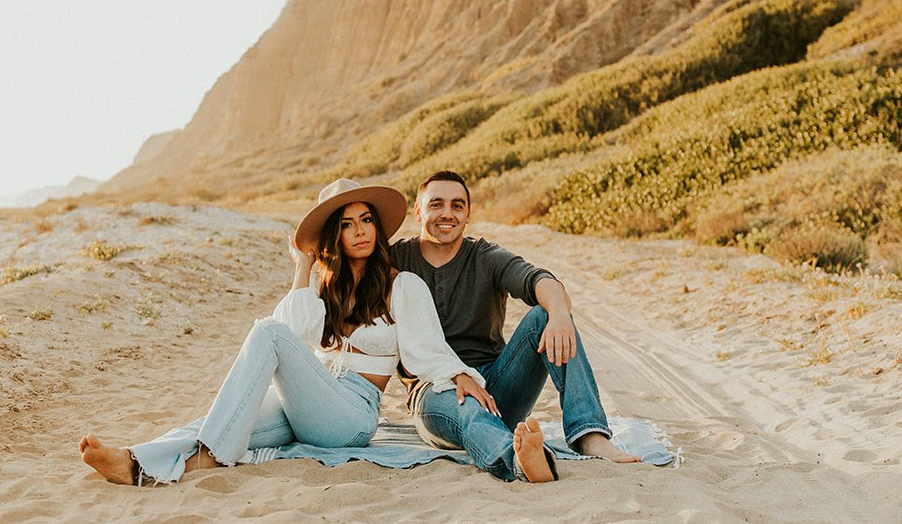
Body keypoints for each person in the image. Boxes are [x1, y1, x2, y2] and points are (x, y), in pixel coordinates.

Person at [79, 178, 557, 486]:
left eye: (367, 220)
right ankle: (137, 461)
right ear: (335, 235)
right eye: (347, 224)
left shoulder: (401, 285)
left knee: (264, 338)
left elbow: (425, 349)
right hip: (310, 397)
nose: (361, 230)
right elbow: (294, 331)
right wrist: (305, 265)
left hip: (350, 411)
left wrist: (459, 377)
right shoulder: (324, 288)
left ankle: (209, 458)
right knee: (222, 419)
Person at [389, 169, 640, 480]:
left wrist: (560, 315)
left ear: (468, 214)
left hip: (496, 389)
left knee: (545, 314)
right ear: (418, 211)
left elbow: (539, 280)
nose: (447, 213)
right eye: (436, 204)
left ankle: (590, 435)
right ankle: (519, 460)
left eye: (457, 205)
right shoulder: (394, 259)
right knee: (465, 407)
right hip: (434, 391)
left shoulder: (485, 255)